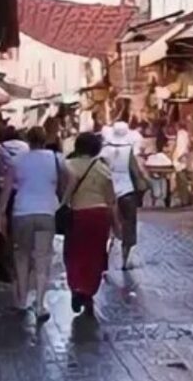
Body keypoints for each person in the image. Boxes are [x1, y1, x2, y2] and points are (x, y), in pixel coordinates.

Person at [0, 126, 66, 322]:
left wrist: (2, 214)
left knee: (22, 256)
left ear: (27, 140)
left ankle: (21, 300)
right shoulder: (55, 158)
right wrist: (63, 200)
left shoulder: (17, 161)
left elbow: (6, 189)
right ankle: (40, 305)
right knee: (43, 259)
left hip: (22, 212)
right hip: (47, 212)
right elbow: (71, 178)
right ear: (45, 139)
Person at [62, 132, 118, 316]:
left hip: (77, 214)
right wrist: (117, 225)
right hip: (99, 215)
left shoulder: (68, 166)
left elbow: (62, 193)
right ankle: (88, 291)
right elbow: (111, 200)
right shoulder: (103, 169)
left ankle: (75, 286)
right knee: (95, 255)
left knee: (73, 253)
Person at [101, 121, 149, 269]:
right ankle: (124, 260)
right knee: (129, 225)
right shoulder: (128, 151)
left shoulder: (104, 151)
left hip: (108, 191)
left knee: (107, 226)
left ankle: (105, 258)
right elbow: (135, 171)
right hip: (127, 190)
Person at [0, 126, 29, 283]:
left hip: (2, 190)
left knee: (1, 229)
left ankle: (4, 267)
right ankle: (19, 263)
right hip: (21, 190)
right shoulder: (26, 147)